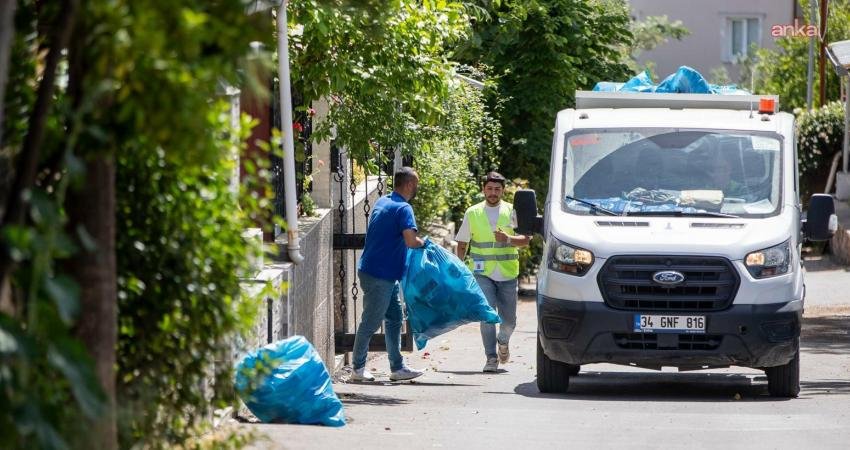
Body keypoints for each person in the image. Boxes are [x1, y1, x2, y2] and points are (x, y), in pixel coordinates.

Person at [351, 167, 425, 382]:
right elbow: (411, 241)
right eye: (416, 184)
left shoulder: (383, 201)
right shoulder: (404, 208)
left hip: (375, 270)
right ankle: (357, 369)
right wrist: (425, 244)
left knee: (394, 318)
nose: (416, 188)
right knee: (370, 322)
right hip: (380, 275)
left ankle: (397, 367)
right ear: (410, 184)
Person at [455, 172, 530, 373]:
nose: (493, 193)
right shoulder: (472, 212)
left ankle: (503, 341)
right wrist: (460, 270)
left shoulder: (512, 211)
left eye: (497, 189)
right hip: (482, 273)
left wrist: (507, 239)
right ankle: (491, 357)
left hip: (507, 273)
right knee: (487, 315)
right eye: (489, 188)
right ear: (483, 189)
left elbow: (525, 240)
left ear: (503, 191)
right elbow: (462, 244)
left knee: (509, 321)